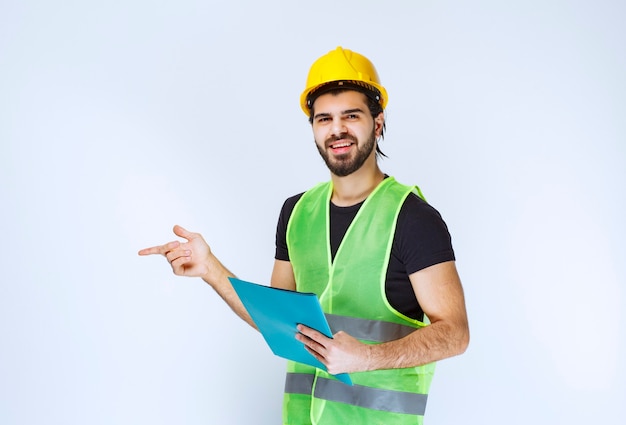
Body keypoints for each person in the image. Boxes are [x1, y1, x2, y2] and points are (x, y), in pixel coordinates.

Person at [139, 46, 469, 425]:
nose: (337, 129)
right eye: (324, 118)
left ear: (378, 123)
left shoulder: (412, 218)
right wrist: (211, 268)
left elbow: (455, 333)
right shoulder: (296, 212)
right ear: (313, 128)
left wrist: (366, 358)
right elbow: (276, 320)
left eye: (351, 115)